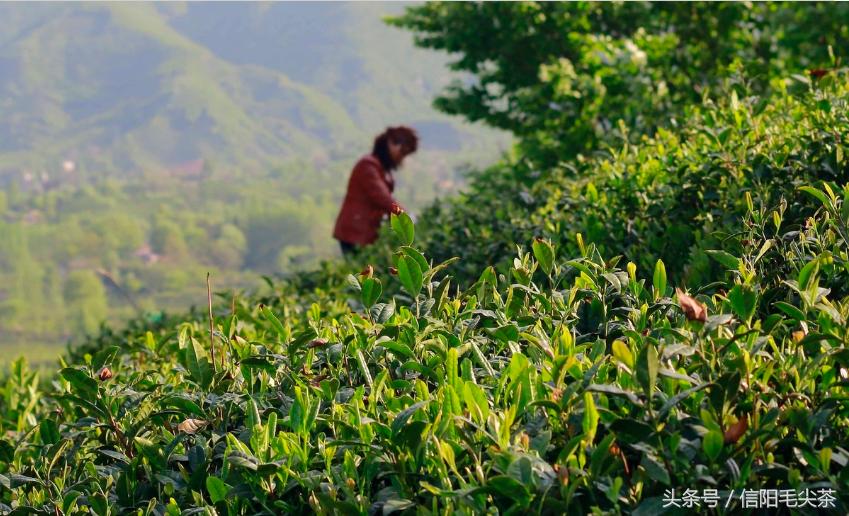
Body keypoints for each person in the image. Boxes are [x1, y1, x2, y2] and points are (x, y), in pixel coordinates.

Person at [333, 126, 418, 256]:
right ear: (391, 144)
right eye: (402, 153)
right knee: (361, 272)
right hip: (355, 232)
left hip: (365, 232)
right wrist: (405, 217)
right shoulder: (368, 166)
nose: (401, 159)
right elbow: (383, 198)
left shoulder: (380, 168)